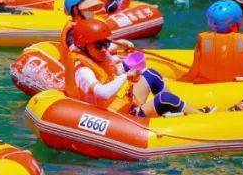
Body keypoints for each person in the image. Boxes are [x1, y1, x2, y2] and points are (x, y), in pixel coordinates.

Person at [66, 19, 207, 117]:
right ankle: (202, 117)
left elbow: (114, 69)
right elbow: (103, 93)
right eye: (98, 46)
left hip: (120, 106)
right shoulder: (84, 71)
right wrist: (125, 76)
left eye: (106, 44)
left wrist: (127, 67)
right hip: (116, 118)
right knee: (165, 99)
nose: (104, 49)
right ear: (83, 46)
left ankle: (174, 112)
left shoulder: (98, 56)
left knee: (151, 75)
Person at [178, 0, 243, 83]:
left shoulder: (204, 44)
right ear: (235, 24)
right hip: (237, 89)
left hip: (208, 88)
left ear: (211, 24)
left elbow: (194, 72)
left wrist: (178, 83)